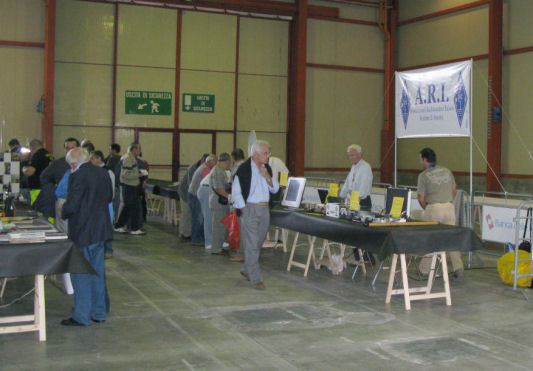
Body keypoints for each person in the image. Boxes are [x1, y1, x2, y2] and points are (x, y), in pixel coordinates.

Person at [60, 147, 113, 326]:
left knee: (80, 274)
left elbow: (73, 204)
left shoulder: (77, 176)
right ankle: (99, 312)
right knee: (97, 273)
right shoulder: (103, 173)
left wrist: (63, 210)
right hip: (100, 231)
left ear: (73, 164)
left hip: (82, 231)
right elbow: (109, 197)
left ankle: (82, 316)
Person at [232, 140, 279, 290]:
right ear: (256, 154)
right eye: (266, 153)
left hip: (264, 209)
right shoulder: (243, 169)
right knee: (252, 243)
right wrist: (244, 208)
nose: (268, 155)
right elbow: (236, 192)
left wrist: (268, 177)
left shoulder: (267, 168)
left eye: (269, 153)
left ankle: (246, 268)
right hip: (250, 208)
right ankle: (255, 277)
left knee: (258, 242)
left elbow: (275, 189)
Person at [417, 147, 464, 280]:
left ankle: (425, 270)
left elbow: (421, 198)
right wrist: (447, 201)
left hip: (434, 208)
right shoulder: (447, 171)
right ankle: (458, 267)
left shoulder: (423, 175)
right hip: (449, 207)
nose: (420, 161)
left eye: (420, 159)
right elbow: (454, 191)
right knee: (451, 239)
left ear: (425, 159)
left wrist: (427, 208)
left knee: (430, 239)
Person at [339, 144, 374, 264]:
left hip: (362, 201)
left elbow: (364, 186)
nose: (351, 157)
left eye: (353, 155)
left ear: (360, 155)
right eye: (350, 156)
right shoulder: (353, 167)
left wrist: (357, 198)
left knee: (363, 232)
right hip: (352, 202)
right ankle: (358, 258)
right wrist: (341, 195)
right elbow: (348, 183)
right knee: (352, 231)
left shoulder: (365, 167)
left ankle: (369, 259)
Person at [36, 137, 79, 223]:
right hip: (62, 201)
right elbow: (44, 176)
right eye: (67, 148)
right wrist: (52, 188)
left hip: (78, 200)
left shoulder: (83, 163)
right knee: (63, 229)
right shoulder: (58, 164)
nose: (69, 150)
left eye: (72, 148)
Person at [210, 153, 243, 261]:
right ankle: (216, 248)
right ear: (226, 162)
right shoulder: (218, 172)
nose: (229, 165)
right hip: (218, 200)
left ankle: (219, 245)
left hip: (221, 201)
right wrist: (229, 196)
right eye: (229, 163)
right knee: (218, 225)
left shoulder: (220, 171)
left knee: (222, 224)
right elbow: (219, 188)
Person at [114, 143, 145, 235]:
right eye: (139, 149)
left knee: (128, 208)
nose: (140, 151)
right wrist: (138, 175)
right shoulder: (128, 159)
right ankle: (134, 229)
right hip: (129, 186)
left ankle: (119, 226)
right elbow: (125, 175)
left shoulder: (132, 159)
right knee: (133, 207)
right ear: (134, 149)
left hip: (132, 186)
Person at [177, 153, 209, 241]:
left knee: (191, 214)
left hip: (191, 192)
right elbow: (190, 183)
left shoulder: (203, 167)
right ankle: (183, 233)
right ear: (203, 161)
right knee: (186, 213)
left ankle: (188, 233)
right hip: (185, 192)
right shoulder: (193, 167)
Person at [91, 150, 116, 259]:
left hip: (107, 203)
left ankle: (108, 249)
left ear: (98, 159)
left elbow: (111, 190)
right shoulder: (93, 171)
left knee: (106, 226)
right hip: (96, 204)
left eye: (92, 158)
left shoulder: (108, 172)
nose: (90, 161)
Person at [187, 154, 217, 245]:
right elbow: (208, 183)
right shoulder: (205, 169)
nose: (216, 164)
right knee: (198, 218)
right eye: (215, 162)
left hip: (194, 194)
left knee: (198, 217)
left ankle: (198, 238)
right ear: (210, 162)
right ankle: (196, 239)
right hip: (195, 196)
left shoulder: (203, 167)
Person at [23, 139, 53, 205]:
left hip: (37, 188)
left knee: (36, 209)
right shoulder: (48, 155)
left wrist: (24, 167)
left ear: (32, 147)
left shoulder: (37, 155)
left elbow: (29, 172)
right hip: (48, 187)